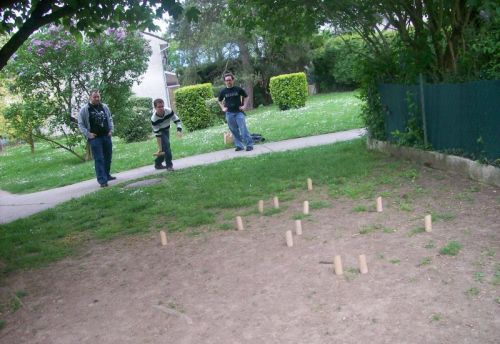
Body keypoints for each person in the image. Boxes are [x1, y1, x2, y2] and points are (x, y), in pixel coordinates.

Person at [78, 90, 116, 187]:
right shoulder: (85, 109)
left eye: (98, 96)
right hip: (95, 139)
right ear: (90, 97)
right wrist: (88, 134)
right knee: (99, 159)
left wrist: (111, 130)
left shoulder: (104, 107)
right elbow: (81, 124)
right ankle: (102, 181)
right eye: (95, 97)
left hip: (106, 136)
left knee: (108, 157)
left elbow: (110, 118)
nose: (97, 99)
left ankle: (107, 175)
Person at [218, 72, 253, 151]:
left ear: (233, 80)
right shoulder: (223, 91)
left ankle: (249, 145)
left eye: (230, 80)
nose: (228, 82)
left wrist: (244, 106)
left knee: (243, 129)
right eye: (227, 80)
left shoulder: (238, 89)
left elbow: (246, 97)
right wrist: (223, 108)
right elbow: (219, 101)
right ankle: (239, 146)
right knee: (234, 130)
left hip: (239, 113)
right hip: (229, 114)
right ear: (225, 82)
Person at [151, 98, 183, 171]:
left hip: (166, 130)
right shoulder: (154, 119)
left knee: (165, 148)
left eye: (162, 106)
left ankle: (158, 163)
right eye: (159, 107)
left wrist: (179, 130)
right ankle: (169, 166)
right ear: (155, 108)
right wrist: (159, 148)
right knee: (167, 146)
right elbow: (158, 135)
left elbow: (177, 120)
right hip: (160, 132)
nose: (161, 108)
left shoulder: (168, 111)